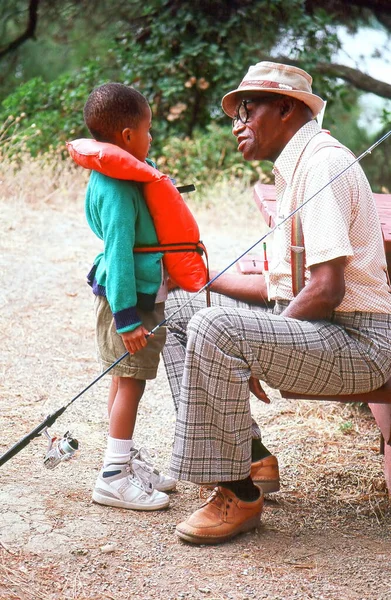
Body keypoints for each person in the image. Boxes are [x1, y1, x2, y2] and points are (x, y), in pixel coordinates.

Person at [162, 61, 391, 544]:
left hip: (362, 344)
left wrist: (256, 353)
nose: (237, 125)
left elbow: (326, 288)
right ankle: (248, 454)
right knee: (183, 307)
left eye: (246, 110)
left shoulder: (324, 164)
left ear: (285, 108)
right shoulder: (295, 169)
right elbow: (281, 286)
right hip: (327, 331)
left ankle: (239, 494)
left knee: (216, 329)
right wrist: (202, 278)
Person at [83, 83, 176, 511]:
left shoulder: (111, 176)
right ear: (125, 137)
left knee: (122, 380)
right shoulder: (119, 188)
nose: (151, 138)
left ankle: (123, 457)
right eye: (148, 130)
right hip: (129, 302)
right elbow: (119, 251)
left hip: (127, 298)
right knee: (132, 384)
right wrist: (126, 317)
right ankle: (113, 474)